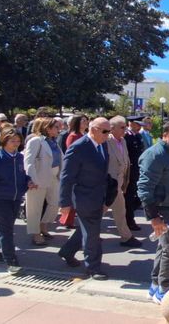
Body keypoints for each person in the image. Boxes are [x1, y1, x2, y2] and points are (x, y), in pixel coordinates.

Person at [137, 121, 169, 304]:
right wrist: (154, 217)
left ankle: (155, 286)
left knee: (165, 247)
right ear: (165, 135)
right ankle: (163, 289)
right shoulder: (155, 155)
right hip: (162, 208)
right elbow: (144, 188)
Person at [58, 117, 113, 280]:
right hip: (84, 197)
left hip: (98, 196)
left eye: (109, 131)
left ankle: (67, 251)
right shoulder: (78, 147)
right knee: (92, 233)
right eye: (105, 131)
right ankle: (93, 268)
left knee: (88, 229)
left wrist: (107, 198)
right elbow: (67, 176)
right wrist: (65, 202)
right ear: (94, 129)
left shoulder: (102, 144)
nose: (108, 135)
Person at [0, 128, 35, 275]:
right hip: (0, 199)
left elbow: (23, 175)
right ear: (4, 141)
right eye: (12, 141)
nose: (16, 144)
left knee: (4, 228)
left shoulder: (19, 158)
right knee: (6, 231)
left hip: (15, 199)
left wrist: (28, 181)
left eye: (18, 141)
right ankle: (11, 261)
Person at [24, 117, 63, 246]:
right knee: (35, 207)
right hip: (38, 177)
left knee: (55, 203)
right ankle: (35, 233)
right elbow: (28, 162)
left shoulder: (54, 141)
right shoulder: (36, 141)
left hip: (54, 176)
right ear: (47, 128)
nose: (59, 129)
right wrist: (32, 179)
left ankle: (43, 225)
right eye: (56, 127)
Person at [105, 116, 142, 248]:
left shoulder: (123, 141)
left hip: (118, 185)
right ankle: (73, 245)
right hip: (108, 185)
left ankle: (126, 237)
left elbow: (126, 163)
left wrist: (125, 183)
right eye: (122, 127)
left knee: (121, 211)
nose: (125, 129)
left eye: (125, 127)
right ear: (112, 128)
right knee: (96, 217)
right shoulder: (106, 141)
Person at [60, 114, 88, 228]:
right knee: (72, 196)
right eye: (83, 121)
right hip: (76, 169)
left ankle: (69, 220)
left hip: (83, 169)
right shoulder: (73, 136)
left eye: (86, 121)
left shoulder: (84, 135)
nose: (86, 123)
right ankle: (67, 220)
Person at [124, 115, 146, 231]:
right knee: (129, 197)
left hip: (137, 170)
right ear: (131, 124)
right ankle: (129, 221)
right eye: (138, 125)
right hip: (129, 171)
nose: (139, 127)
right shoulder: (126, 136)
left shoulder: (137, 136)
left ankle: (128, 218)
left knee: (135, 197)